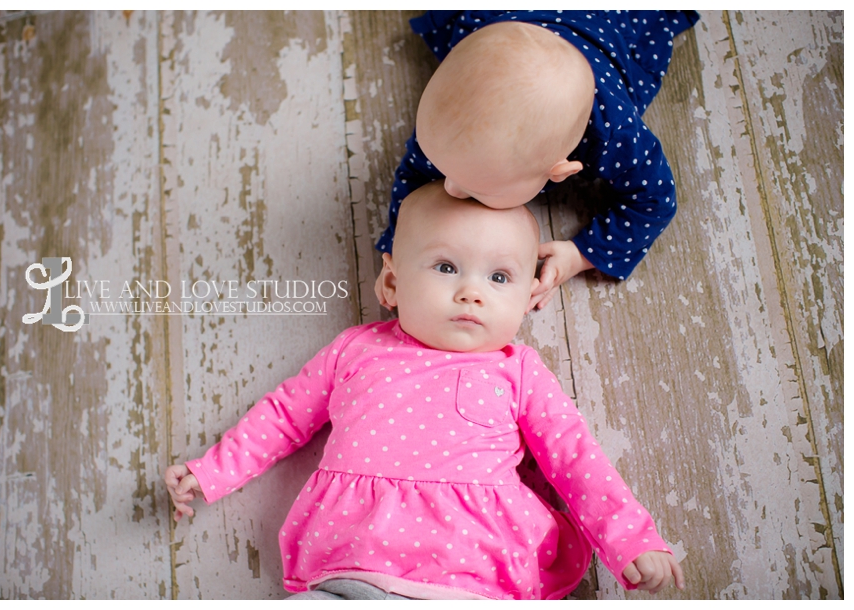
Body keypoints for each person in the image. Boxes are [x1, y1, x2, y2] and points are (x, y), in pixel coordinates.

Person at [165, 182, 684, 600]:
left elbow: (576, 460)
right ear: (391, 284)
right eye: (445, 267)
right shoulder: (355, 351)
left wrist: (628, 539)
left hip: (474, 572)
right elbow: (281, 417)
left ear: (531, 297)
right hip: (352, 571)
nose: (471, 291)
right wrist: (211, 469)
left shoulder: (518, 370)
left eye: (499, 277)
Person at [374, 10, 699, 310]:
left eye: (480, 189)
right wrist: (399, 250)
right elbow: (414, 173)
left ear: (559, 171)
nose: (451, 188)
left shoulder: (616, 135)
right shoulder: (450, 122)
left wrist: (581, 254)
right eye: (440, 164)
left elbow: (654, 199)